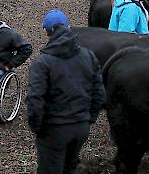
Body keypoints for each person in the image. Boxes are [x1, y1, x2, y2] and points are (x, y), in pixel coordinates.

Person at [26, 10, 106, 174]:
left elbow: (35, 99)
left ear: (46, 31)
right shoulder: (88, 55)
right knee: (70, 168)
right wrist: (88, 118)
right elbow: (99, 93)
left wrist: (37, 127)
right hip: (80, 127)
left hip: (54, 129)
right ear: (69, 28)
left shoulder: (43, 62)